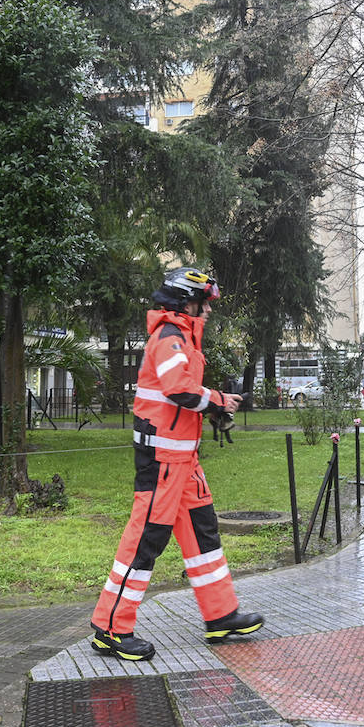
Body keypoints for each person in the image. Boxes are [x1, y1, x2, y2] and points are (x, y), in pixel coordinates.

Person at [89, 268, 264, 662]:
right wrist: (217, 401)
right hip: (163, 463)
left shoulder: (183, 337)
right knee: (145, 542)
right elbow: (179, 389)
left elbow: (182, 395)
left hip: (184, 461)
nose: (207, 311)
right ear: (186, 302)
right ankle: (110, 628)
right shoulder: (169, 336)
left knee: (204, 537)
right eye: (203, 303)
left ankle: (221, 615)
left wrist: (214, 408)